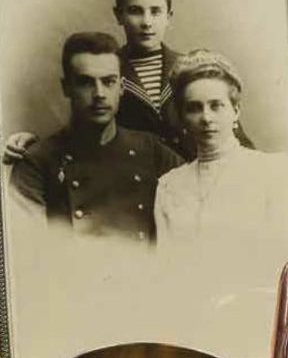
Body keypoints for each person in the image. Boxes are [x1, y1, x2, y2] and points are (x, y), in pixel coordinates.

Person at [3, 0, 252, 164]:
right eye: (135, 11)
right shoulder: (106, 71)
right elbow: (82, 131)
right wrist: (34, 144)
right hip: (136, 187)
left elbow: (233, 132)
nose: (146, 22)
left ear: (169, 16)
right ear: (119, 15)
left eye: (155, 11)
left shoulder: (193, 71)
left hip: (199, 180)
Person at [9, 32, 182, 241]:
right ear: (66, 88)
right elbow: (27, 244)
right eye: (85, 82)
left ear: (121, 87)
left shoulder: (150, 149)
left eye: (109, 82)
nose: (99, 94)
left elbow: (197, 193)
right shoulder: (37, 162)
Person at [154, 50, 288, 251]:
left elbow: (286, 251)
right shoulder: (169, 186)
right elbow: (166, 260)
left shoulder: (272, 171)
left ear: (235, 111)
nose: (206, 118)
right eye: (194, 108)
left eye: (216, 106)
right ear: (181, 117)